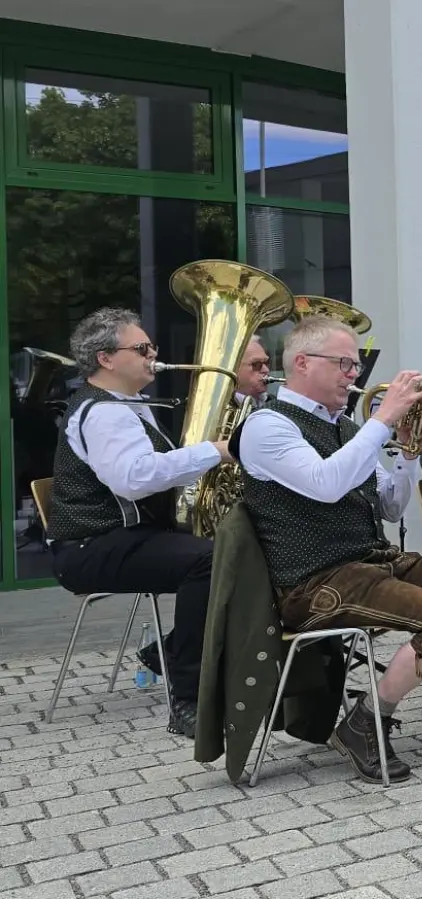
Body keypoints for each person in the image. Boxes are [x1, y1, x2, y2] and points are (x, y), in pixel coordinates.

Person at [239, 316, 422, 784]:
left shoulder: (346, 427)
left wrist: (410, 455)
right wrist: (381, 421)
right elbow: (326, 485)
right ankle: (366, 722)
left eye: (355, 365)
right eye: (344, 364)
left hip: (369, 561)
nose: (354, 375)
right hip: (313, 579)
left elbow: (391, 508)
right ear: (302, 363)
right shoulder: (268, 426)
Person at [47, 308, 230, 738]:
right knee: (210, 560)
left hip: (127, 536)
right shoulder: (104, 413)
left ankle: (166, 652)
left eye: (153, 348)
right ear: (106, 358)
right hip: (92, 546)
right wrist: (218, 451)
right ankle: (188, 698)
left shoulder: (129, 406)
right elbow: (133, 480)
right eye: (142, 348)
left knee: (242, 547)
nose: (154, 355)